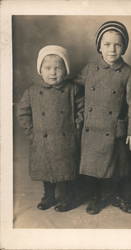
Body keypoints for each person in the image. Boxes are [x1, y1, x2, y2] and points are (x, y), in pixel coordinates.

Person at [75, 21, 131, 215]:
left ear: (124, 47)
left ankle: (118, 197)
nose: (112, 49)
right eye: (107, 44)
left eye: (118, 44)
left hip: (114, 130)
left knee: (118, 169)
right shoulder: (90, 69)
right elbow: (75, 87)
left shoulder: (129, 73)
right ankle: (97, 198)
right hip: (91, 128)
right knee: (94, 169)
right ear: (99, 46)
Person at [17, 45, 84, 212]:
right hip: (43, 141)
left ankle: (68, 198)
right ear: (40, 70)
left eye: (58, 68)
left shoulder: (72, 89)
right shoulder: (32, 91)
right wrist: (31, 132)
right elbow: (22, 112)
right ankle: (48, 196)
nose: (52, 72)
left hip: (66, 139)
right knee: (46, 172)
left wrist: (77, 124)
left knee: (66, 171)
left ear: (66, 70)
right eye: (47, 68)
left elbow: (83, 108)